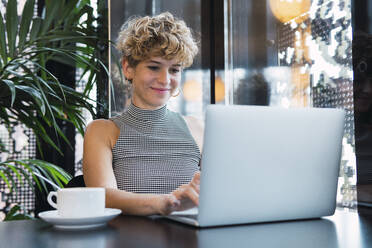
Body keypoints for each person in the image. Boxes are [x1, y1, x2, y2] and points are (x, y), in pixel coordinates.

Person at [82, 12, 203, 216]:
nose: (165, 80)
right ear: (128, 67)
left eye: (174, 70)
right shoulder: (102, 131)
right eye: (154, 67)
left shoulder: (197, 128)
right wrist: (164, 203)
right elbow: (103, 196)